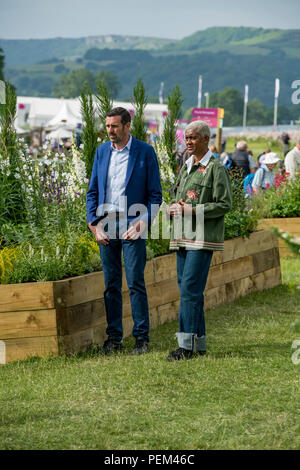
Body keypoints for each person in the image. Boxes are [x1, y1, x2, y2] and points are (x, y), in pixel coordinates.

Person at [86, 107, 162, 356]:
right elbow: (92, 193)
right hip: (106, 224)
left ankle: (141, 339)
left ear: (127, 126)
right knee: (111, 285)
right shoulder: (101, 152)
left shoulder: (145, 152)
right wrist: (93, 224)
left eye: (115, 126)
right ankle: (114, 339)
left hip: (133, 224)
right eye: (107, 126)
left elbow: (155, 196)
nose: (110, 131)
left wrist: (143, 222)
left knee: (135, 281)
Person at [166, 120, 232, 361]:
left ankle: (186, 347)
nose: (188, 142)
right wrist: (174, 207)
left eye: (193, 138)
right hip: (182, 236)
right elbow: (181, 199)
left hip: (202, 239)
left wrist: (192, 210)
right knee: (189, 291)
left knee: (190, 291)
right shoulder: (185, 167)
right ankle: (199, 344)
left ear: (206, 139)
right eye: (186, 138)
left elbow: (225, 204)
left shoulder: (216, 168)